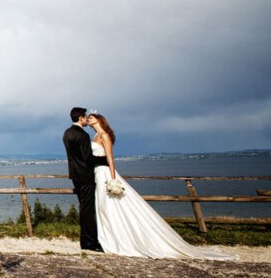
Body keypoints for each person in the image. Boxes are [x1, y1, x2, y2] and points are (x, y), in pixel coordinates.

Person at [88, 113, 235, 260]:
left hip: (105, 173)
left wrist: (113, 180)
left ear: (99, 120)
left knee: (109, 205)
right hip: (97, 173)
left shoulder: (104, 136)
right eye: (88, 118)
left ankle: (119, 240)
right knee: (103, 206)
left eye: (91, 118)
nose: (89, 119)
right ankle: (109, 238)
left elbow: (110, 159)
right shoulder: (94, 137)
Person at [63, 107, 105, 252]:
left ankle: (85, 241)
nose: (87, 119)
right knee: (88, 210)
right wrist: (105, 160)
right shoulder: (83, 135)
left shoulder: (67, 133)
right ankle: (89, 242)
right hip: (86, 176)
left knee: (84, 208)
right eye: (86, 117)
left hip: (75, 175)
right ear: (81, 118)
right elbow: (87, 158)